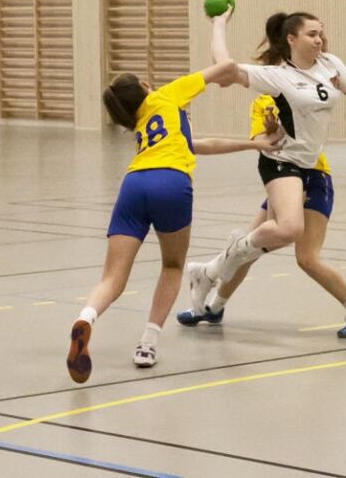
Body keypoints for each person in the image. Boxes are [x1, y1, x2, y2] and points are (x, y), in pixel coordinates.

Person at [181, 7, 346, 337]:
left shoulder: (331, 65)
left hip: (313, 170)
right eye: (312, 34)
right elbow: (225, 72)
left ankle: (212, 291)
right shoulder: (275, 79)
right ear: (291, 38)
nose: (320, 38)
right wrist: (218, 24)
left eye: (321, 32)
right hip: (282, 164)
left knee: (296, 255)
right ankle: (213, 288)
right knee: (285, 229)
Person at [66, 64, 280, 384]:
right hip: (171, 183)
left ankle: (86, 318)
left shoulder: (143, 126)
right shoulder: (166, 96)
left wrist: (254, 144)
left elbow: (199, 144)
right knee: (172, 266)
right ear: (144, 84)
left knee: (112, 277)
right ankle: (147, 345)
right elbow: (220, 69)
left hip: (134, 183)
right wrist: (252, 68)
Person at [176, 96, 346, 336]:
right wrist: (269, 132)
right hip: (281, 182)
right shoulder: (262, 101)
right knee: (247, 250)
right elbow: (261, 142)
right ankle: (214, 307)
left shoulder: (305, 93)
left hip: (313, 178)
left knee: (307, 258)